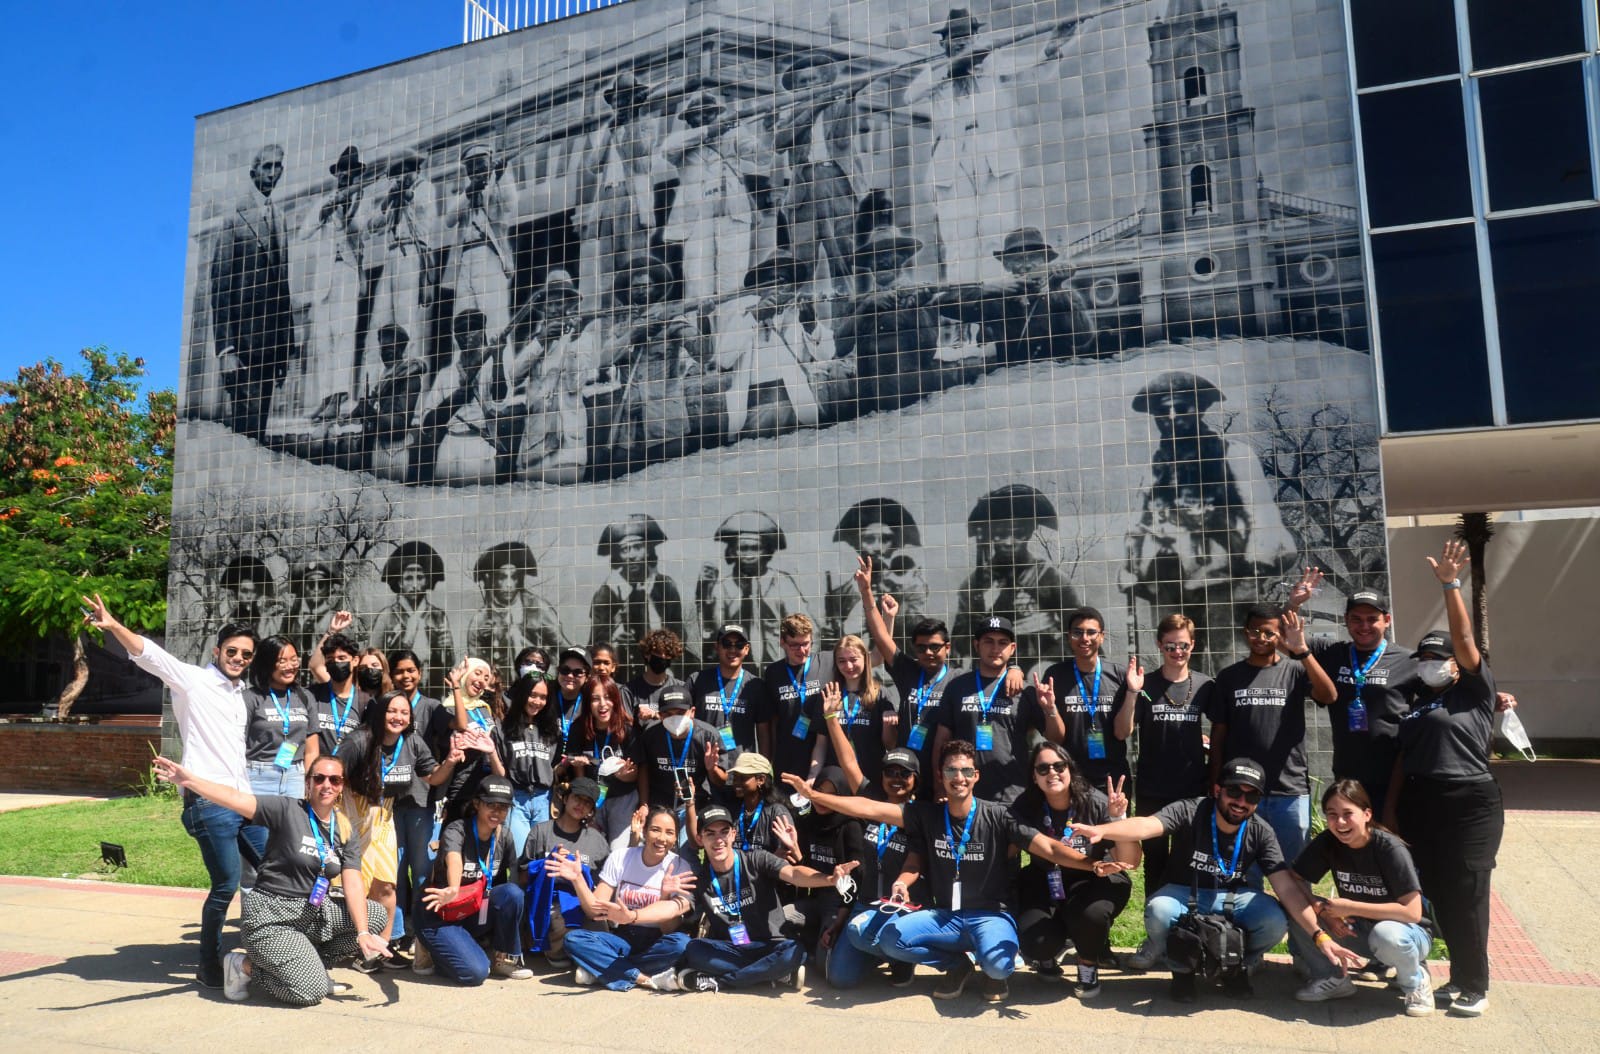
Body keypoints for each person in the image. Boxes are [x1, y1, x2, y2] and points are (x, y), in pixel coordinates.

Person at [785, 739, 1126, 1004]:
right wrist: (817, 796)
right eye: (951, 771)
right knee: (891, 937)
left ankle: (988, 960)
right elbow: (872, 808)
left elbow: (1050, 848)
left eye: (965, 771)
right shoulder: (928, 815)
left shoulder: (1000, 816)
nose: (958, 778)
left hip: (991, 915)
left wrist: (1092, 864)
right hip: (945, 917)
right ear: (941, 776)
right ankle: (955, 964)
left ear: (976, 776)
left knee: (999, 964)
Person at [82, 595, 257, 989]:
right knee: (227, 884)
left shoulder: (240, 696)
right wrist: (112, 625)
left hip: (243, 800)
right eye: (232, 651)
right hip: (209, 803)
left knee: (276, 869)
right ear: (217, 651)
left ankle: (265, 948)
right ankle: (209, 962)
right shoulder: (191, 679)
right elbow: (151, 654)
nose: (238, 658)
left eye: (246, 654)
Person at [1072, 758, 1320, 1002]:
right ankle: (1182, 968)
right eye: (1234, 791)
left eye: (1252, 796)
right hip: (1184, 893)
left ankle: (1236, 965)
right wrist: (1104, 829)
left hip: (1233, 897)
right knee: (1158, 910)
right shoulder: (1191, 810)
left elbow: (1286, 886)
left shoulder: (1260, 831)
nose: (1241, 802)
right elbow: (1148, 825)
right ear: (1217, 790)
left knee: (1274, 919)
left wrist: (1320, 936)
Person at [151, 753, 390, 1005]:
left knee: (374, 915)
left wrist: (362, 932)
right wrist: (191, 781)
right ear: (308, 782)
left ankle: (311, 968)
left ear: (342, 785)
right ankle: (243, 966)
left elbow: (352, 881)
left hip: (313, 911)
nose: (326, 785)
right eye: (319, 778)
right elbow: (235, 798)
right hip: (271, 916)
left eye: (334, 779)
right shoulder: (286, 810)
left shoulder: (344, 828)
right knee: (309, 993)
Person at [1391, 539, 1504, 1018]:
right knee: (1436, 889)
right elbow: (1403, 760)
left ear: (1457, 665)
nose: (1434, 663)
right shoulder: (1418, 704)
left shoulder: (1475, 692)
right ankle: (1455, 975)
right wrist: (1393, 811)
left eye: (1441, 657)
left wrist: (1450, 585)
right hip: (1422, 800)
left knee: (1468, 890)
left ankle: (1476, 984)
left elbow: (1463, 641)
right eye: (1426, 658)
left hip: (1470, 801)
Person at [1122, 371, 1297, 673]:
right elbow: (1140, 523)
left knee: (1227, 659)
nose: (1171, 416)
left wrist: (1252, 564)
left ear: (1200, 409)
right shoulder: (1154, 470)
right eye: (1162, 410)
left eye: (1181, 407)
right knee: (1178, 664)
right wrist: (1131, 565)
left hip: (1224, 578)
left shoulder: (1234, 455)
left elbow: (1261, 514)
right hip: (1169, 579)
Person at [1285, 780, 1435, 1015]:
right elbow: (1294, 878)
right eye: (1332, 814)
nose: (1340, 822)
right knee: (1297, 911)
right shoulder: (1328, 842)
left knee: (1387, 934)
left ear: (1367, 814)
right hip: (1357, 928)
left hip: (1407, 933)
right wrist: (1322, 909)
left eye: (1348, 814)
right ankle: (1334, 979)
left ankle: (1416, 981)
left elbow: (1413, 913)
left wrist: (1351, 907)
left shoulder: (1389, 849)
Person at [336, 690, 462, 965]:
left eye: (404, 713)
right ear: (381, 712)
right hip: (352, 814)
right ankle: (343, 943)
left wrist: (451, 760)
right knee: (348, 884)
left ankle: (381, 949)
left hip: (383, 818)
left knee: (386, 886)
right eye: (393, 711)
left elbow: (432, 776)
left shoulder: (412, 742)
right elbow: (334, 774)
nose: (398, 717)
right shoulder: (360, 740)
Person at [674, 804, 857, 992]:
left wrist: (829, 879)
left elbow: (794, 873)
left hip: (772, 945)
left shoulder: (757, 859)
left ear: (733, 834)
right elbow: (676, 907)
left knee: (793, 952)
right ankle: (776, 974)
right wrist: (660, 899)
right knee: (694, 949)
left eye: (724, 832)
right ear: (699, 838)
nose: (718, 839)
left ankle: (721, 981)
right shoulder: (701, 879)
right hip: (732, 948)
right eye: (710, 833)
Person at [1208, 604, 1336, 868]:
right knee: (1242, 870)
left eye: (1269, 633)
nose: (1261, 638)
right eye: (1255, 631)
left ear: (1280, 637)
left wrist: (1302, 651)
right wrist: (1215, 779)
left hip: (1288, 790)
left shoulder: (1295, 671)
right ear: (1245, 633)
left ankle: (1294, 911)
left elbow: (1328, 695)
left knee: (1293, 871)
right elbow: (1219, 733)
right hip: (1240, 791)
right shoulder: (1229, 677)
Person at [1285, 572, 1417, 822]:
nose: (1364, 626)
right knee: (1352, 845)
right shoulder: (1331, 653)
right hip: (1348, 775)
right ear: (1346, 620)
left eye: (1372, 619)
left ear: (1387, 620)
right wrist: (1294, 603)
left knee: (1392, 844)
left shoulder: (1409, 660)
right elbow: (1281, 636)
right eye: (1356, 619)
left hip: (1394, 776)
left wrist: (1491, 695)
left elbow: (1442, 687)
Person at [902, 9, 1023, 283]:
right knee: (959, 235)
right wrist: (951, 68)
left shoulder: (992, 65)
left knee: (996, 228)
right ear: (943, 43)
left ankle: (996, 291)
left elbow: (1030, 65)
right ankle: (963, 294)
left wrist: (1055, 45)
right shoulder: (934, 72)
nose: (960, 41)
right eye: (954, 37)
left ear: (976, 38)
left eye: (966, 36)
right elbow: (910, 97)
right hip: (953, 157)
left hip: (994, 155)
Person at [1009, 742, 1136, 997]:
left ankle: (1088, 962)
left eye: (1059, 766)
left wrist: (1118, 821)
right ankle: (1046, 955)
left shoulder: (1097, 803)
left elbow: (1131, 861)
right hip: (1044, 877)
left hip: (1092, 879)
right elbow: (1050, 851)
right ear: (1034, 776)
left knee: (1092, 915)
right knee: (1036, 941)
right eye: (1043, 768)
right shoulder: (1025, 806)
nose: (1052, 773)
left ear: (1070, 769)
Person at [1130, 614, 1217, 920]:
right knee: (1155, 860)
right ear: (1159, 645)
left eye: (1183, 646)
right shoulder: (1147, 685)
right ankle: (1155, 928)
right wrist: (1131, 691)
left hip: (1191, 788)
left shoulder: (1206, 685)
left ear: (1192, 645)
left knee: (1187, 860)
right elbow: (1124, 729)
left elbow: (1221, 728)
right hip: (1153, 787)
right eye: (1170, 646)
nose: (1177, 652)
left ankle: (1187, 924)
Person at [558, 805, 699, 991]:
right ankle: (643, 978)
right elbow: (594, 910)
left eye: (669, 833)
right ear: (645, 830)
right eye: (655, 830)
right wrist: (578, 880)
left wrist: (663, 896)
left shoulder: (680, 866)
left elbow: (670, 928)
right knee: (573, 940)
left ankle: (603, 970)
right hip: (624, 938)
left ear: (675, 838)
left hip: (658, 941)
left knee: (682, 945)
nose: (662, 838)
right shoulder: (620, 857)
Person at [208, 144, 293, 440]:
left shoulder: (280, 219)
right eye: (267, 166)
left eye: (278, 166)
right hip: (243, 349)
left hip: (271, 348)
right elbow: (220, 288)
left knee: (258, 433)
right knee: (243, 437)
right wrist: (226, 349)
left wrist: (284, 349)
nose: (273, 173)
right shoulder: (234, 220)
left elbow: (283, 290)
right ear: (253, 172)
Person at [933, 615, 1065, 804]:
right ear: (977, 645)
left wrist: (1050, 709)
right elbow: (942, 740)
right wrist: (939, 787)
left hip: (1014, 795)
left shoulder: (1025, 690)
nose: (995, 649)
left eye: (1002, 643)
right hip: (964, 792)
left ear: (1012, 649)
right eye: (989, 642)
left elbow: (1057, 738)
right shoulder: (957, 687)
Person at [416, 776, 531, 983]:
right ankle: (431, 948)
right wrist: (453, 887)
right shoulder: (457, 829)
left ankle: (503, 958)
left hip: (472, 908)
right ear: (477, 804)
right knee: (475, 973)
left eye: (503, 807)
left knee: (513, 893)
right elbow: (454, 859)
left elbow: (508, 884)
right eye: (491, 805)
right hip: (440, 912)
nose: (497, 812)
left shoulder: (504, 837)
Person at [954, 484, 1079, 670]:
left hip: (1044, 667)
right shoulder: (975, 584)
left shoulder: (1050, 578)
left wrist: (1050, 662)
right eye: (1001, 534)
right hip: (993, 669)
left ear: (1029, 533)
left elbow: (1077, 630)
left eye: (1018, 534)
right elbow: (960, 642)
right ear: (991, 535)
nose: (1009, 542)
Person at [936, 226, 1096, 365]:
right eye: (1018, 260)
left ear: (1045, 260)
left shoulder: (1063, 294)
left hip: (1056, 377)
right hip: (1014, 382)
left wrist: (1057, 290)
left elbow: (1083, 338)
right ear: (1007, 265)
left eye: (1033, 258)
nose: (1026, 265)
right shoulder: (997, 301)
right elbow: (943, 305)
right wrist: (989, 290)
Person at [299, 145, 375, 423]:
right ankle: (325, 396)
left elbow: (362, 231)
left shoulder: (362, 200)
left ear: (357, 173)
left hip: (347, 272)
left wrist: (348, 207)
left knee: (343, 336)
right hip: (324, 278)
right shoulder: (324, 201)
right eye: (341, 170)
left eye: (350, 170)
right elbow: (305, 231)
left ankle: (340, 397)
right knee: (322, 340)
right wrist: (328, 209)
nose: (345, 174)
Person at [661, 90, 755, 303]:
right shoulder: (682, 141)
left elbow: (761, 155)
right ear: (690, 119)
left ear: (716, 113)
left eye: (709, 113)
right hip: (697, 221)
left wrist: (768, 129)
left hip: (732, 215)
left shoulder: (733, 134)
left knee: (733, 284)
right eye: (697, 114)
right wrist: (708, 131)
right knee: (698, 285)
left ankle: (728, 335)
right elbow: (667, 149)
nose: (703, 117)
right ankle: (698, 335)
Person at [240, 637, 319, 887]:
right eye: (281, 660)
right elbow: (236, 745)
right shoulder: (250, 698)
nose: (289, 666)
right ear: (266, 664)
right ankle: (253, 923)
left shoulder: (305, 697)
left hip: (295, 778)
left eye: (293, 659)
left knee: (293, 850)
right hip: (257, 778)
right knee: (256, 856)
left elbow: (311, 747)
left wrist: (311, 783)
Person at [521, 776, 612, 968]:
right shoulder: (541, 831)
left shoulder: (597, 840)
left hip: (583, 899)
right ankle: (561, 953)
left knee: (598, 927)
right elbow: (522, 876)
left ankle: (585, 959)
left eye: (587, 803)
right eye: (577, 798)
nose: (581, 805)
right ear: (565, 798)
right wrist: (546, 864)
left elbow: (603, 884)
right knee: (560, 920)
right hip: (549, 900)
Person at [1041, 606, 1136, 787]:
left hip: (1113, 779)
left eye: (1091, 632)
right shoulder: (1055, 675)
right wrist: (1050, 709)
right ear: (1069, 636)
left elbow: (1122, 732)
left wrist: (1132, 692)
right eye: (1078, 632)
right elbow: (1055, 739)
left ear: (1101, 636)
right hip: (1070, 779)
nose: (1085, 638)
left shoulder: (1120, 676)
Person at [697, 510, 808, 665]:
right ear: (733, 551)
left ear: (766, 551)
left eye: (755, 548)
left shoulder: (782, 582)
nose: (749, 554)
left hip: (777, 663)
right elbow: (716, 628)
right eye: (743, 548)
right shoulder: (723, 587)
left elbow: (803, 625)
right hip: (737, 667)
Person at [385, 649, 440, 958]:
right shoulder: (386, 707)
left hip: (421, 801)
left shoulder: (432, 707)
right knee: (394, 869)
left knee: (421, 871)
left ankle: (421, 927)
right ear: (391, 676)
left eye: (411, 670)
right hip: (391, 803)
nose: (406, 676)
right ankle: (396, 932)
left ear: (420, 672)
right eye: (400, 671)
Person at [788, 766, 867, 962]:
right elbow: (805, 870)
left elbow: (857, 879)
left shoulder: (851, 826)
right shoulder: (807, 823)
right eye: (820, 792)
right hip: (815, 898)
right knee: (781, 919)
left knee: (826, 964)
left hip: (839, 903)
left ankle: (812, 951)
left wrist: (839, 921)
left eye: (832, 795)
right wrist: (796, 853)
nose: (822, 800)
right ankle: (804, 951)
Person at [825, 499, 928, 646]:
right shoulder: (843, 593)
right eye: (869, 539)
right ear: (857, 544)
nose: (877, 547)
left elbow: (918, 629)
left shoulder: (912, 585)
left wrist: (897, 596)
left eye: (885, 539)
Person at [588, 515, 687, 665]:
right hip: (623, 665)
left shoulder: (664, 585)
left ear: (647, 550)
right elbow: (596, 641)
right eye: (625, 549)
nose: (632, 555)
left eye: (637, 547)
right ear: (618, 555)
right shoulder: (608, 592)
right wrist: (614, 638)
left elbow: (678, 630)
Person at [564, 676, 641, 855]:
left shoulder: (627, 729)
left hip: (622, 799)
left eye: (607, 697)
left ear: (615, 700)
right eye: (595, 699)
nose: (602, 704)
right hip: (591, 799)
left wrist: (625, 775)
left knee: (618, 852)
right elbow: (579, 775)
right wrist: (585, 804)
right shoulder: (579, 728)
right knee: (589, 851)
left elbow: (637, 772)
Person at [446, 141, 514, 338]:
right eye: (471, 167)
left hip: (488, 255)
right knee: (463, 320)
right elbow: (449, 220)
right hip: (465, 259)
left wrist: (499, 177)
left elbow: (508, 206)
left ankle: (499, 366)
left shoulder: (498, 184)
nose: (476, 170)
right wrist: (470, 191)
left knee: (494, 319)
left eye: (481, 165)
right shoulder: (466, 193)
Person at [809, 636, 899, 785]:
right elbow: (821, 744)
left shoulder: (880, 694)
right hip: (836, 780)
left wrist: (889, 724)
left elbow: (890, 744)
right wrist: (812, 776)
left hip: (871, 778)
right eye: (842, 661)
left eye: (853, 659)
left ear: (865, 658)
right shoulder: (829, 693)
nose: (849, 666)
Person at [371, 541, 454, 697]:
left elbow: (448, 663)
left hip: (431, 691)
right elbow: (373, 659)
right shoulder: (387, 616)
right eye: (409, 578)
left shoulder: (438, 616)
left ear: (427, 581)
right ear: (400, 582)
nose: (415, 584)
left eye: (420, 578)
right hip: (396, 691)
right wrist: (403, 643)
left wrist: (445, 649)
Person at [633, 685, 723, 828]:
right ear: (660, 715)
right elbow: (644, 768)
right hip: (659, 805)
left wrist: (712, 769)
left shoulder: (708, 736)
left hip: (694, 805)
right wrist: (644, 804)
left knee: (688, 848)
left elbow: (721, 781)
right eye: (668, 714)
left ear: (692, 712)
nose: (674, 718)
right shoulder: (650, 735)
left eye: (681, 712)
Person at [466, 542, 564, 672]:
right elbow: (475, 665)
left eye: (514, 577)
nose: (509, 584)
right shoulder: (480, 621)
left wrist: (551, 674)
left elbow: (561, 647)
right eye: (502, 577)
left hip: (538, 685)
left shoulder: (538, 608)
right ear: (493, 579)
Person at [762, 613, 830, 782]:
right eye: (794, 645)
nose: (802, 650)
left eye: (806, 644)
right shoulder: (773, 672)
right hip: (787, 759)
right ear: (782, 642)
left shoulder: (827, 662)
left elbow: (871, 659)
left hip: (822, 757)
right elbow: (772, 721)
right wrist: (767, 762)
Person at [689, 624, 773, 761]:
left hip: (742, 771)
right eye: (727, 644)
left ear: (746, 649)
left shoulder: (756, 686)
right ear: (717, 647)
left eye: (739, 645)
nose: (732, 650)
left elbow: (763, 732)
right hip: (703, 766)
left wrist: (764, 768)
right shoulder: (697, 680)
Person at [501, 672, 561, 856]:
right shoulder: (504, 726)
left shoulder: (552, 729)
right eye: (533, 695)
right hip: (517, 798)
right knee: (520, 857)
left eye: (543, 697)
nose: (537, 701)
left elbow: (554, 765)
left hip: (543, 799)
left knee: (543, 856)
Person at [714, 751, 796, 858]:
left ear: (761, 780)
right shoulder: (732, 809)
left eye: (743, 778)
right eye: (735, 777)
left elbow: (786, 854)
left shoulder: (777, 813)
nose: (736, 782)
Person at [308, 628, 367, 757]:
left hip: (349, 773)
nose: (336, 663)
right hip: (319, 773)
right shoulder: (313, 695)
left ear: (355, 661)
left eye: (342, 658)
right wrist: (331, 631)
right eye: (330, 659)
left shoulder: (365, 702)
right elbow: (314, 664)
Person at [624, 628, 687, 723]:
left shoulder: (681, 689)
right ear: (647, 654)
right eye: (658, 653)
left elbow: (685, 722)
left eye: (667, 654)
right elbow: (625, 726)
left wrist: (655, 715)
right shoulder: (629, 691)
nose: (662, 657)